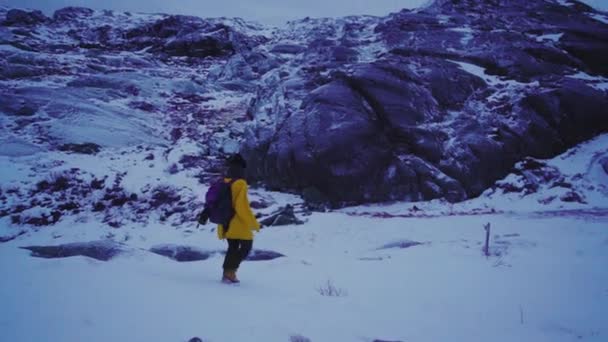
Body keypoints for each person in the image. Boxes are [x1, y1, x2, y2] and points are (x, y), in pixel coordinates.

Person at [217, 154, 260, 284]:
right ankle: (231, 272)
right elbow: (242, 207)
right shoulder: (240, 183)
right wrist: (254, 224)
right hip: (238, 223)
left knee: (233, 247)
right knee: (246, 246)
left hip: (225, 222)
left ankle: (227, 273)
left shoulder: (224, 181)